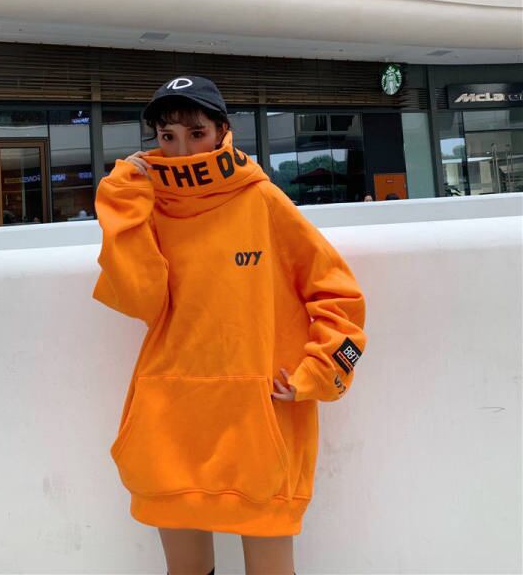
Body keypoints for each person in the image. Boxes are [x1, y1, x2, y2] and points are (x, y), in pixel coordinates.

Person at [92, 75, 368, 575]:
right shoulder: (150, 205)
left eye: (196, 134)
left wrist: (321, 370)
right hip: (171, 420)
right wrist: (122, 202)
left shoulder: (261, 201)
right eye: (167, 136)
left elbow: (339, 295)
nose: (181, 151)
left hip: (257, 423)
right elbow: (141, 299)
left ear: (222, 131)